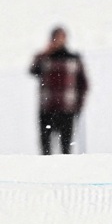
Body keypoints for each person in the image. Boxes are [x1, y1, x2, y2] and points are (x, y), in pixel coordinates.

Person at [29, 26, 89, 155]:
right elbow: (33, 70)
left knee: (66, 147)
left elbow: (83, 84)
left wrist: (79, 104)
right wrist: (46, 52)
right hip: (47, 107)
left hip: (67, 108)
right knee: (46, 147)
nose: (58, 40)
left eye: (61, 37)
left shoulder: (73, 58)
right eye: (56, 37)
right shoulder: (45, 58)